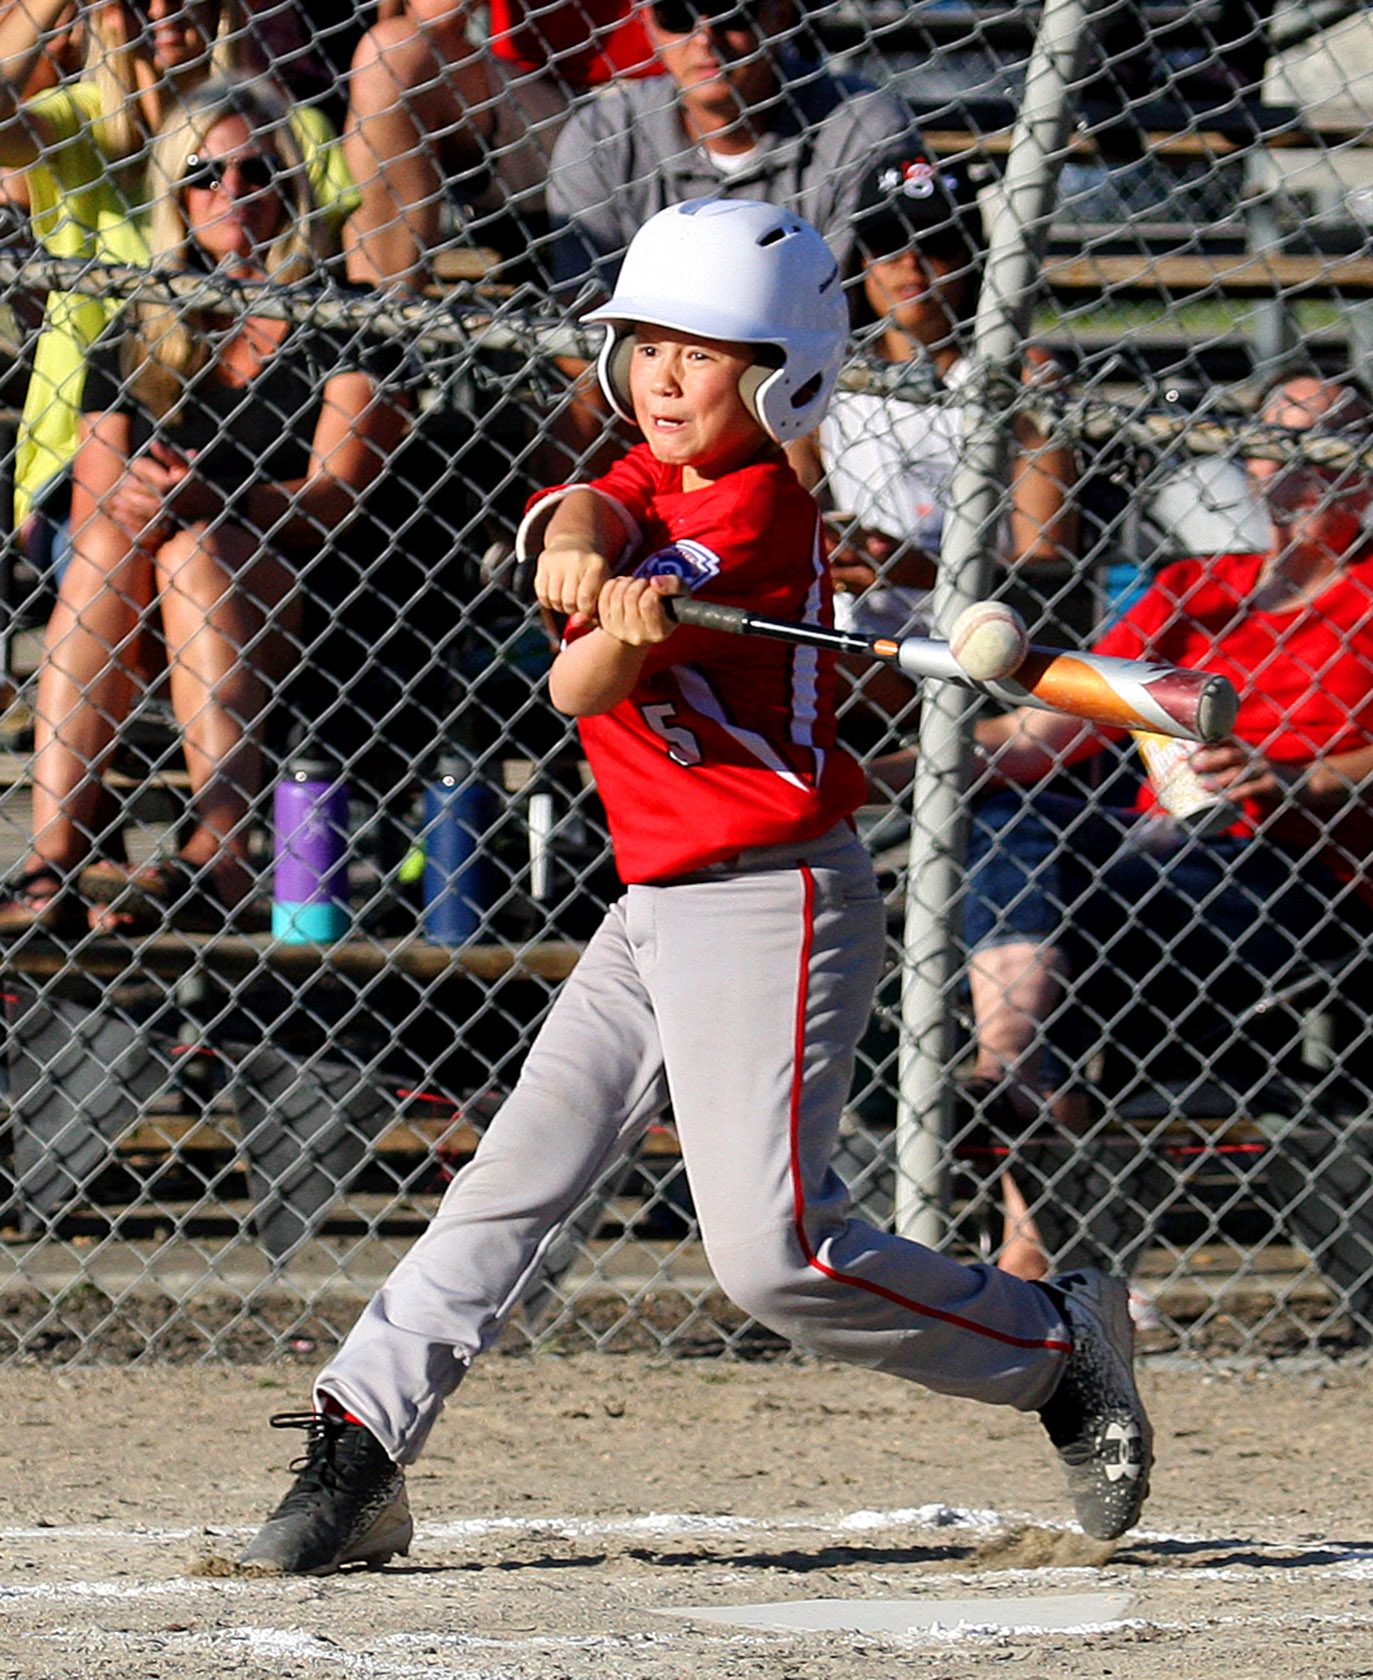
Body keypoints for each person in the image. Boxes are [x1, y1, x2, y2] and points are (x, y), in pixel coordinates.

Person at [237, 199, 1151, 1578]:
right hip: (655, 902)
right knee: (509, 1183)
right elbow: (596, 493)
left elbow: (573, 686)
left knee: (774, 1258)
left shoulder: (763, 516)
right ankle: (360, 1443)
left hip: (775, 902)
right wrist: (584, 530)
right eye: (648, 343)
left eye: (704, 352)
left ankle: (1055, 1348)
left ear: (781, 372)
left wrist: (615, 617)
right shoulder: (658, 482)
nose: (664, 373)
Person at [876, 369, 1373, 1277]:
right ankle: (1013, 1073)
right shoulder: (1191, 588)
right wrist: (865, 776)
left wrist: (1298, 780)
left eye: (1319, 445)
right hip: (1146, 859)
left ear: (1362, 473)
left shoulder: (1368, 596)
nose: (1288, 469)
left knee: (1064, 905)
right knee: (1018, 812)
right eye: (1271, 443)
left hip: (1288, 875)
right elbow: (1043, 732)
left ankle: (1023, 1163)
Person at [0, 76, 412, 936]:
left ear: (290, 188)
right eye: (204, 173)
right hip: (139, 586)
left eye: (256, 171)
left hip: (298, 579)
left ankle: (217, 854)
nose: (232, 192)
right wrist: (153, 500)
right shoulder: (141, 315)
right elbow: (97, 479)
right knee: (121, 541)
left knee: (193, 550)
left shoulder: (344, 315)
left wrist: (216, 498)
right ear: (174, 195)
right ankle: (55, 858)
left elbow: (339, 491)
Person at [0, 0, 354, 585]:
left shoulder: (285, 126)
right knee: (117, 551)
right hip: (82, 457)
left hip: (259, 462)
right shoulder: (79, 123)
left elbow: (320, 270)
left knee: (193, 558)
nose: (163, 10)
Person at [794, 147, 1078, 731]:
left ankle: (929, 747)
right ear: (862, 260)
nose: (911, 267)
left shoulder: (1017, 375)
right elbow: (794, 513)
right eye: (887, 246)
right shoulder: (829, 371)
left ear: (973, 261)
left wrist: (920, 572)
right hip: (851, 640)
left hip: (983, 636)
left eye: (935, 246)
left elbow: (1046, 570)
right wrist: (834, 549)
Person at [342, 0, 660, 290]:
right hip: (540, 95)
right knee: (393, 54)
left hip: (674, 87)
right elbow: (435, 18)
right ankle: (382, 321)